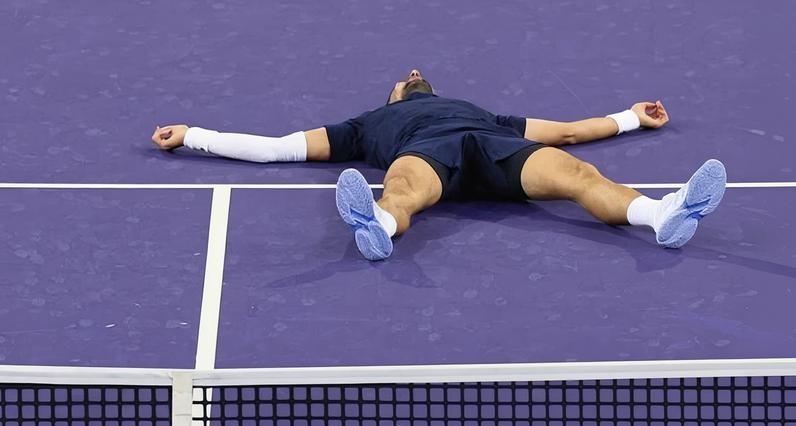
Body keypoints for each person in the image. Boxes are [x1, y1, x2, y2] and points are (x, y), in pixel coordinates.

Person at [152, 69, 726, 261]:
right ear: (396, 94)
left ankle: (662, 215)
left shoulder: (480, 111)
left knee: (577, 175)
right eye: (406, 77)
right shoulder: (364, 126)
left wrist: (629, 116)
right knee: (401, 184)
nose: (414, 72)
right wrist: (194, 136)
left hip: (496, 150)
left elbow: (571, 131)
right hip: (431, 158)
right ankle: (376, 226)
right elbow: (277, 147)